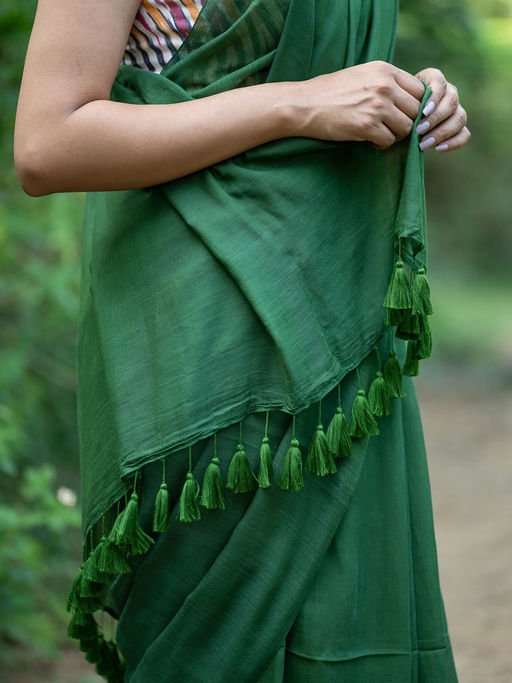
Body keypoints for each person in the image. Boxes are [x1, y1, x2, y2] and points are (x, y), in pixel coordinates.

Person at [14, 1, 470, 681]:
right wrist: (294, 104)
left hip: (340, 328)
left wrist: (409, 96)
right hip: (200, 338)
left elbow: (329, 84)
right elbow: (48, 141)